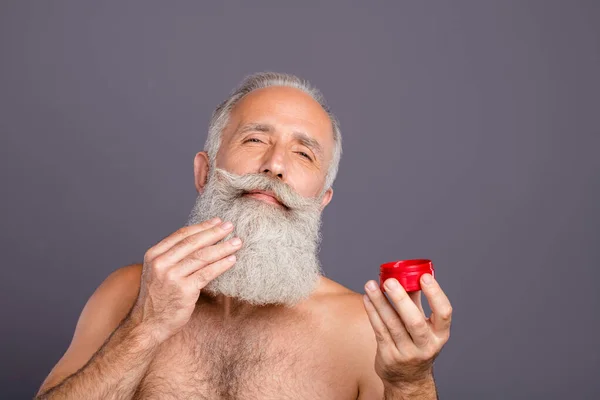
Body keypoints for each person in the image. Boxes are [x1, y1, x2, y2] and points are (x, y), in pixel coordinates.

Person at [35, 72, 452, 399]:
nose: (274, 165)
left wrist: (411, 383)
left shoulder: (362, 330)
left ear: (321, 200)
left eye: (303, 153)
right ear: (205, 172)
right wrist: (143, 327)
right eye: (254, 138)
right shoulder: (127, 293)